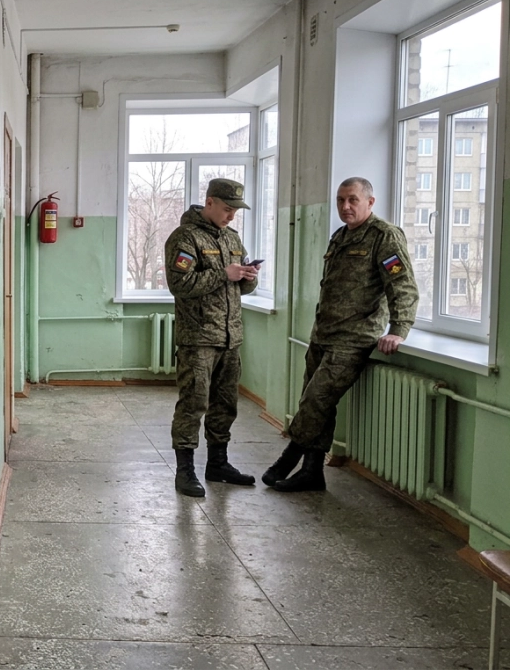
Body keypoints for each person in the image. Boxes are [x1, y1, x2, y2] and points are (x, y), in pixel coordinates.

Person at [264, 177, 418, 493]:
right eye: (340, 200)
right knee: (319, 403)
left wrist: (399, 330)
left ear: (370, 202)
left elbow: (401, 286)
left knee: (315, 400)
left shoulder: (384, 236)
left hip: (354, 337)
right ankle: (311, 472)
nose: (345, 207)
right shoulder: (341, 236)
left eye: (352, 200)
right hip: (324, 333)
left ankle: (288, 458)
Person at [164, 178, 260, 497]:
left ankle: (218, 464)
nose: (232, 216)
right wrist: (225, 273)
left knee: (225, 404)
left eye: (235, 210)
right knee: (193, 403)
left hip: (231, 336)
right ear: (210, 202)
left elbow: (241, 287)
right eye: (227, 208)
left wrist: (248, 277)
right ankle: (185, 470)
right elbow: (181, 284)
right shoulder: (185, 237)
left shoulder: (232, 238)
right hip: (199, 337)